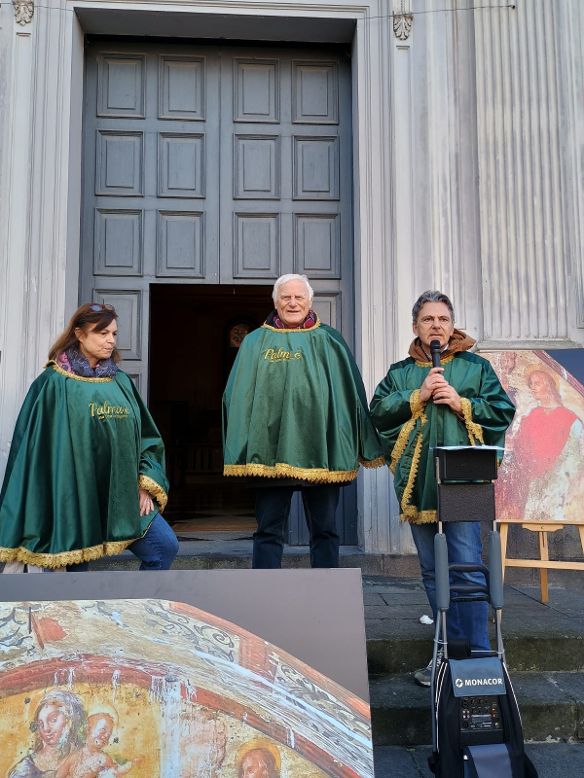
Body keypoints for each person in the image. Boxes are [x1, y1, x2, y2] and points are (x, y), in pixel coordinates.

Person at [370, 290, 515, 686]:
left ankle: (478, 656)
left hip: (465, 481)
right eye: (428, 320)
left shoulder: (475, 368)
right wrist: (415, 396)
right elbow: (377, 411)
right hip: (421, 485)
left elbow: (503, 409)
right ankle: (446, 655)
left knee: (467, 569)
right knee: (434, 573)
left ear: (452, 326)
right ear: (415, 327)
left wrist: (462, 402)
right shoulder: (401, 372)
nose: (437, 326)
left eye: (443, 319)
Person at [0, 303, 179, 571]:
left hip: (121, 496)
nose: (111, 341)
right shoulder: (53, 383)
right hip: (73, 500)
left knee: (164, 546)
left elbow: (147, 437)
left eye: (114, 334)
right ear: (80, 334)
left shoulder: (120, 381)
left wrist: (145, 482)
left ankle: (139, 610)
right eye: (102, 333)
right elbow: (35, 450)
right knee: (76, 573)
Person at [222, 274, 385, 568]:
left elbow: (351, 393)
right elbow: (238, 394)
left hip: (321, 448)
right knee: (269, 531)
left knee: (325, 530)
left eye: (299, 297)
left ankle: (326, 596)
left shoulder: (329, 339)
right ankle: (265, 594)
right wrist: (241, 441)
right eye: (286, 297)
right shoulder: (256, 341)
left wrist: (355, 439)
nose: (292, 303)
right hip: (270, 449)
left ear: (309, 301)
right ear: (275, 302)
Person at [8, 690, 87, 777]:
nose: (46, 729)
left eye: (53, 720)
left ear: (69, 721)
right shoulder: (24, 769)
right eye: (41, 724)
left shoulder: (86, 756)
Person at [55, 711, 141, 778]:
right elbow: (59, 775)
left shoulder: (105, 759)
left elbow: (115, 773)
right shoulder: (75, 757)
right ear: (88, 730)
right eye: (103, 730)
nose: (105, 736)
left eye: (108, 735)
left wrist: (130, 765)